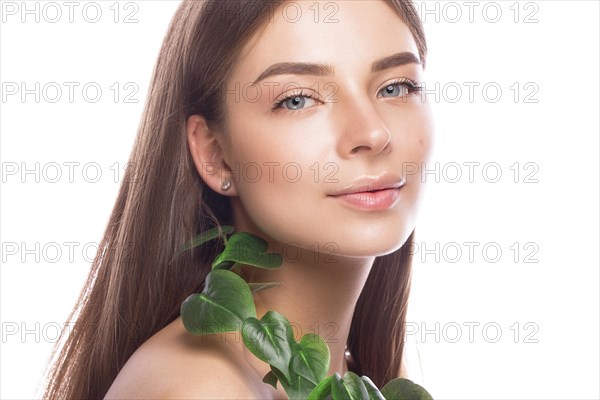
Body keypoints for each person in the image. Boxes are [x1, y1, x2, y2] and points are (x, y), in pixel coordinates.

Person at [43, 0, 434, 398]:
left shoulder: (361, 374)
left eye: (396, 87)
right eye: (297, 99)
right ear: (216, 154)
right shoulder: (201, 389)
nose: (372, 132)